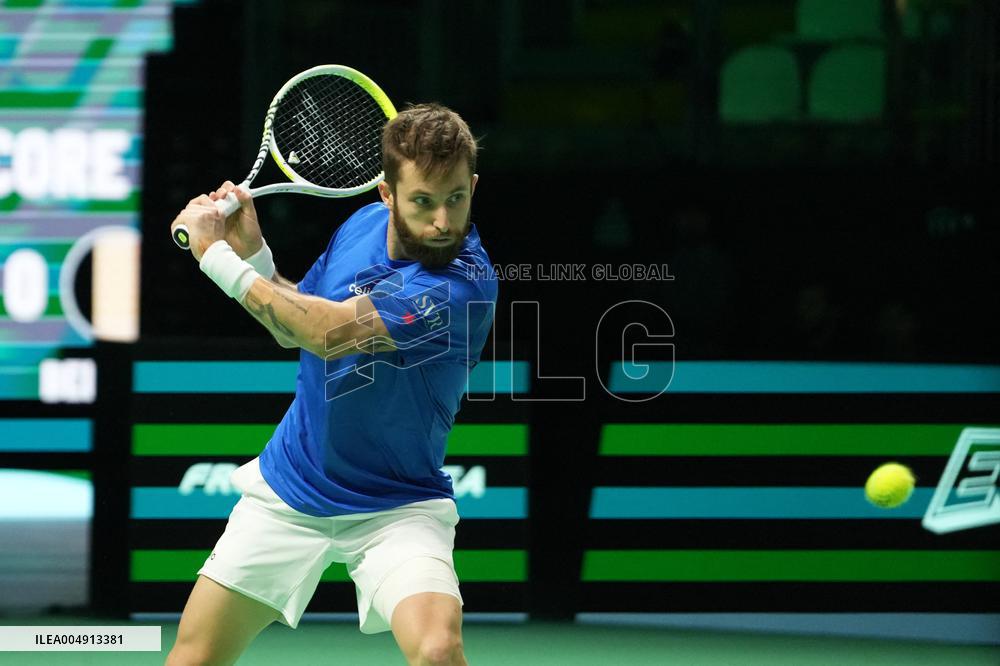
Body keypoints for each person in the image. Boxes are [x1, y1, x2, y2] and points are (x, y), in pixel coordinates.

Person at [165, 103, 496, 666]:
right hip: (291, 487)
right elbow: (289, 326)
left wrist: (215, 256)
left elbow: (331, 334)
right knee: (193, 658)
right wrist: (255, 255)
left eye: (456, 198)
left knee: (438, 650)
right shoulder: (360, 227)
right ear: (387, 195)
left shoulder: (464, 285)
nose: (443, 220)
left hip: (396, 505)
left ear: (473, 186)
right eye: (423, 201)